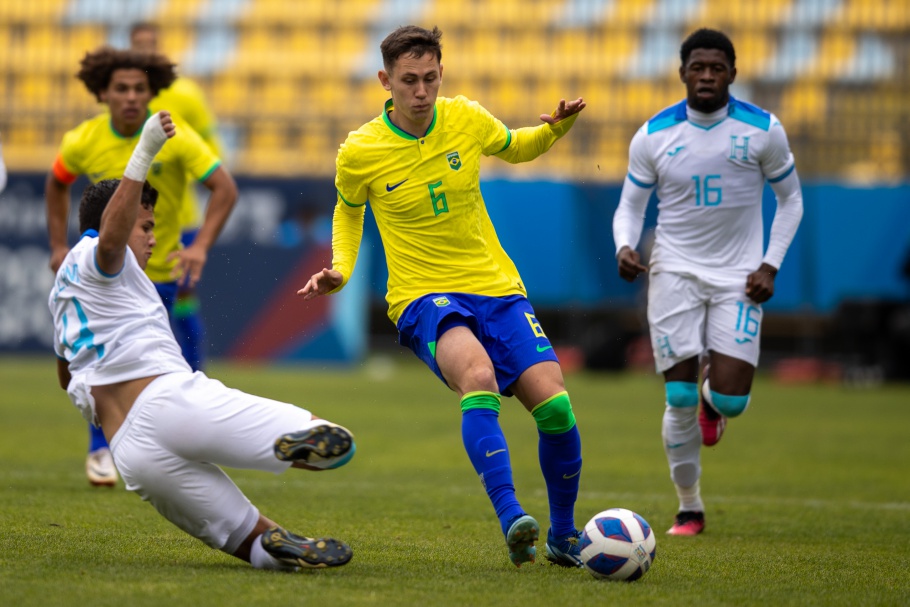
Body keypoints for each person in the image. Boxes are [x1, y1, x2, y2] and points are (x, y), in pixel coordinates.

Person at [298, 25, 586, 568]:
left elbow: (516, 146)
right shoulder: (359, 151)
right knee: (476, 376)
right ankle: (511, 518)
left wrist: (555, 129)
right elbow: (348, 210)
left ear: (441, 74)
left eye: (430, 78)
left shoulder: (466, 117)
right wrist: (341, 268)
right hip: (421, 296)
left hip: (497, 287)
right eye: (409, 80)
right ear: (385, 80)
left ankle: (564, 535)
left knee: (556, 406)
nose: (422, 91)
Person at [48, 111, 354, 571]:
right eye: (146, 227)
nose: (153, 239)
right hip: (168, 401)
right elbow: (112, 241)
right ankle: (288, 440)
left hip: (130, 453)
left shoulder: (63, 292)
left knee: (241, 535)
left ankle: (268, 544)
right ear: (116, 219)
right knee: (334, 442)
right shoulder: (99, 255)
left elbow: (64, 374)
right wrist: (145, 149)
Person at [612, 28, 804, 536]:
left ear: (732, 74)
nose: (706, 76)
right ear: (682, 73)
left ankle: (711, 402)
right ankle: (689, 508)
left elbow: (791, 201)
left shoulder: (762, 129)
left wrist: (770, 265)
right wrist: (624, 247)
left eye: (716, 68)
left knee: (733, 401)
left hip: (739, 277)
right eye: (697, 67)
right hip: (673, 270)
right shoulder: (654, 134)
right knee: (675, 397)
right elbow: (631, 205)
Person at [45, 46, 238, 488]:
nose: (132, 97)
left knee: (167, 372)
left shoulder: (177, 134)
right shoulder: (83, 140)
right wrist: (59, 245)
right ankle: (100, 449)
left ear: (153, 93)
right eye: (121, 89)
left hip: (159, 276)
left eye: (140, 89)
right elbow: (56, 182)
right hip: (103, 279)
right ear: (103, 94)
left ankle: (170, 447)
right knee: (101, 365)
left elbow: (224, 188)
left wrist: (201, 246)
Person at [130, 21, 225, 372]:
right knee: (138, 306)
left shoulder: (185, 95)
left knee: (182, 300)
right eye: (139, 44)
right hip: (132, 220)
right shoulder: (125, 94)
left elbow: (212, 154)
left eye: (150, 44)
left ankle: (193, 372)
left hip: (179, 218)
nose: (145, 51)